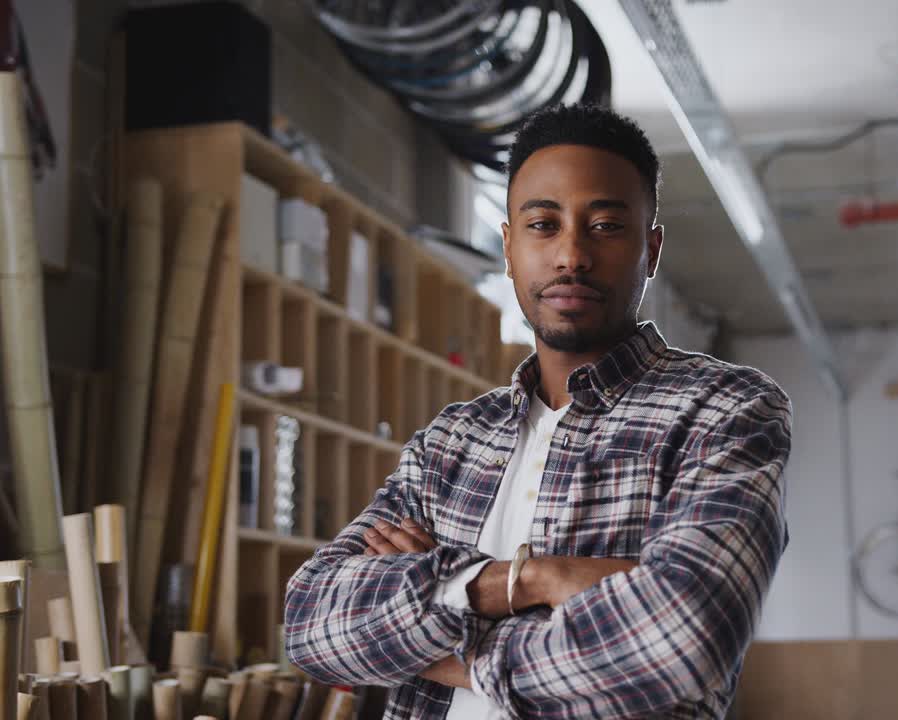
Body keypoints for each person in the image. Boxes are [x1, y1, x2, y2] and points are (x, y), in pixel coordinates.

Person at [284, 103, 792, 719]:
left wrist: (436, 634)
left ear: (650, 249)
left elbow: (684, 636)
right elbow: (309, 621)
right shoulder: (450, 443)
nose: (571, 255)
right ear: (508, 247)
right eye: (543, 225)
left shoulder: (723, 410)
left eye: (605, 225)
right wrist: (529, 581)